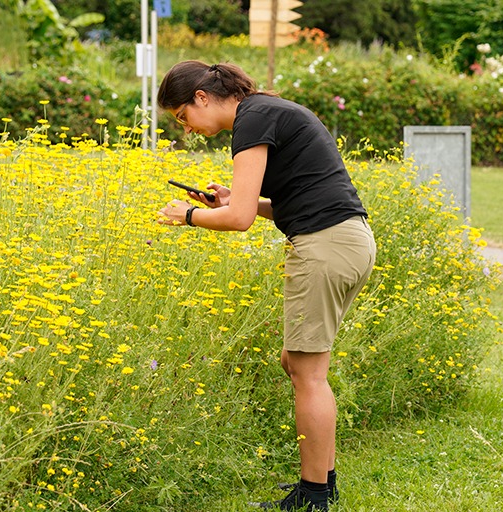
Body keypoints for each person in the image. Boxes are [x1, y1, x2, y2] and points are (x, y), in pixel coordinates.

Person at [156, 60, 376, 512]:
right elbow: (290, 200)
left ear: (202, 97)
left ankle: (315, 495)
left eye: (182, 117)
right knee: (297, 364)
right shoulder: (266, 110)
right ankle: (323, 481)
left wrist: (190, 216)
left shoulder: (250, 119)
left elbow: (235, 223)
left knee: (308, 374)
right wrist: (239, 201)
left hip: (325, 246)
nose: (188, 129)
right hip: (347, 240)